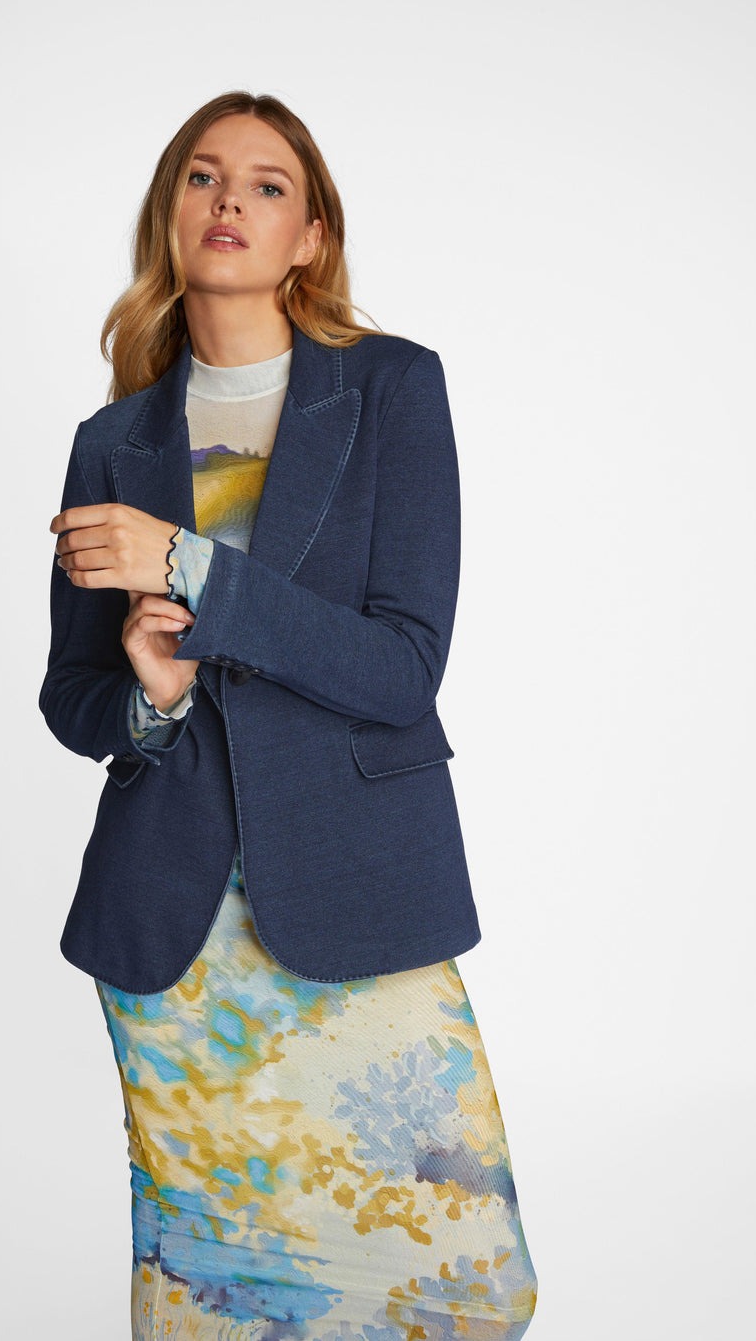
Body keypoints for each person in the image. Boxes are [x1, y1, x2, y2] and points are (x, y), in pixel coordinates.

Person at [41, 89, 538, 1340]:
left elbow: (402, 668)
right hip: (176, 932)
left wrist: (192, 569)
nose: (230, 202)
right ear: (170, 214)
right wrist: (149, 702)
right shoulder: (111, 442)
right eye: (203, 177)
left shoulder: (390, 392)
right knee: (216, 1302)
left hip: (359, 895)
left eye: (268, 185)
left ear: (310, 235)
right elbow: (72, 695)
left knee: (467, 1293)